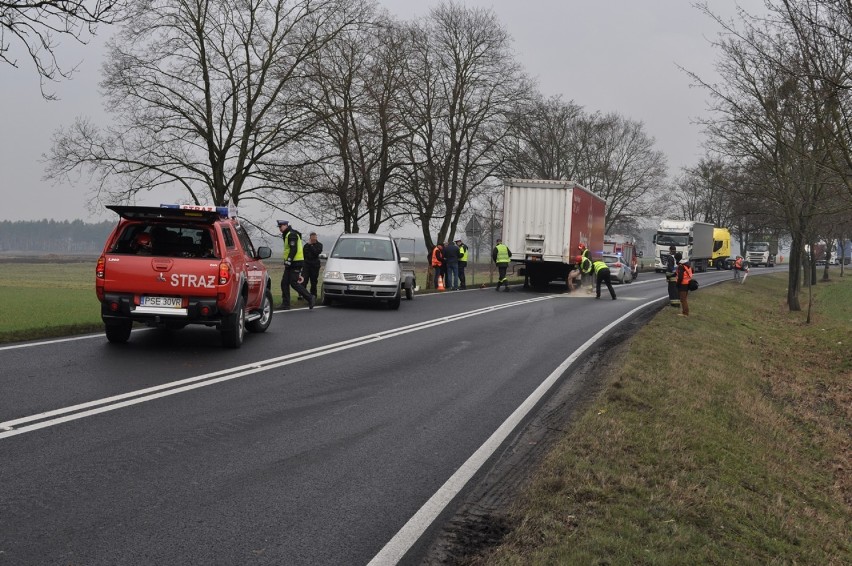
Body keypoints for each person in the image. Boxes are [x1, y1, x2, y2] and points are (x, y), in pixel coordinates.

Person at [277, 220, 314, 310]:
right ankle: (286, 304)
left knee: (293, 283)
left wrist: (289, 260)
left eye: (280, 226)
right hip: (291, 263)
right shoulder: (287, 234)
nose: (279, 229)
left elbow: (294, 249)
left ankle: (310, 297)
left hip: (295, 262)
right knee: (284, 283)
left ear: (286, 225)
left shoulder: (291, 234)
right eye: (279, 227)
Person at [302, 232, 323, 299]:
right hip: (307, 265)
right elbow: (304, 254)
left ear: (316, 238)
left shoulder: (319, 245)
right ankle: (303, 294)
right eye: (312, 238)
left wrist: (311, 246)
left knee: (314, 282)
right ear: (310, 238)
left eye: (315, 238)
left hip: (315, 266)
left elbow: (316, 252)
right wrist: (309, 245)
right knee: (304, 281)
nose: (313, 239)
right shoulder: (306, 246)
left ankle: (313, 295)